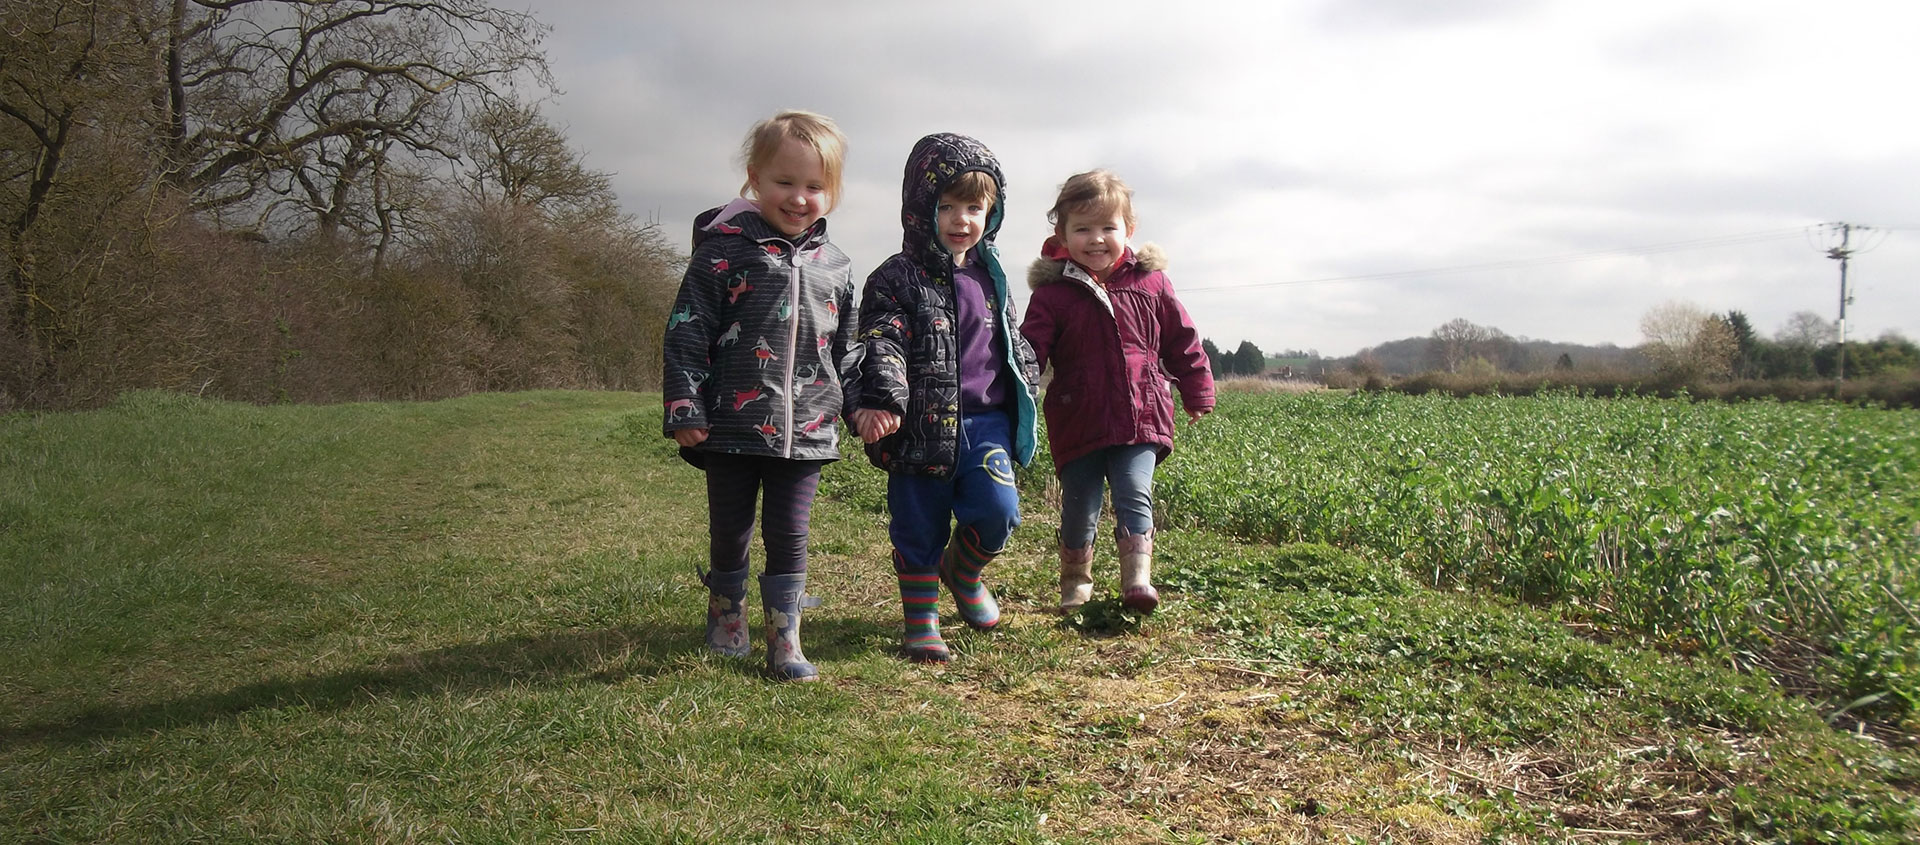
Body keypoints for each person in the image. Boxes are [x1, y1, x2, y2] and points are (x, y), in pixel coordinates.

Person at [661, 110, 860, 682]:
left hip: (809, 431)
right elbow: (687, 328)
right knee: (731, 530)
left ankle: (785, 639)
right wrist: (684, 406)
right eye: (784, 182)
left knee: (790, 533)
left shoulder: (839, 267)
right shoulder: (723, 252)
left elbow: (846, 349)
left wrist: (863, 404)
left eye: (815, 187)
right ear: (754, 178)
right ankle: (727, 614)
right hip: (729, 426)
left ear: (833, 192)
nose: (799, 198)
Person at [850, 133, 1040, 663]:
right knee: (918, 528)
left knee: (999, 512)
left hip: (986, 423)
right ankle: (921, 622)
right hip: (918, 425)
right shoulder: (895, 277)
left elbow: (1009, 338)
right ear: (919, 210)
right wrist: (885, 398)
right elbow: (881, 339)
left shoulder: (993, 276)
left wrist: (1030, 380)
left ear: (992, 212)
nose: (962, 219)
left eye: (975, 207)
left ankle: (964, 571)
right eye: (947, 206)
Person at [1020, 169, 1214, 615]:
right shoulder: (1053, 293)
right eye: (1082, 228)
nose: (1096, 239)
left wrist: (1197, 389)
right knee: (1079, 505)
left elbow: (1183, 339)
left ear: (1128, 230)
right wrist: (1015, 390)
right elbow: (1030, 350)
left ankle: (1137, 580)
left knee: (1133, 490)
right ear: (1062, 234)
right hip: (1079, 417)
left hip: (1141, 412)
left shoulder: (1151, 283)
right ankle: (1075, 584)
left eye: (1108, 227)